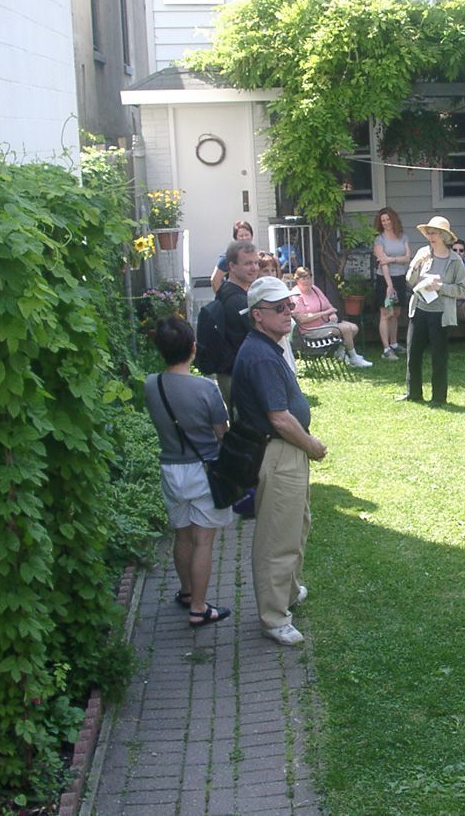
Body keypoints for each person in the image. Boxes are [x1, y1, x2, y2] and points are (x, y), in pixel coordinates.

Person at [231, 276, 328, 646]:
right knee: (277, 536)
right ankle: (273, 617)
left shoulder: (269, 344)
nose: (289, 312)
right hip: (279, 451)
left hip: (287, 449)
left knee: (296, 524)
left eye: (289, 305)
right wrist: (312, 446)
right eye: (279, 308)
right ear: (257, 315)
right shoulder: (259, 356)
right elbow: (280, 418)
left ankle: (287, 592)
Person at [143, 316, 232, 627]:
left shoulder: (150, 384)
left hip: (170, 467)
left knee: (181, 534)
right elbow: (222, 432)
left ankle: (185, 591)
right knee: (203, 541)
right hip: (203, 469)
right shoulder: (205, 388)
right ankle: (199, 607)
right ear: (193, 348)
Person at [400, 216, 465, 406]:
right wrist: (416, 265)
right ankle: (413, 393)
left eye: (434, 232)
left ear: (444, 236)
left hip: (441, 315)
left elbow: (462, 289)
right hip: (419, 309)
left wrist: (441, 288)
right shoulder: (423, 253)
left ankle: (439, 398)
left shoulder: (455, 261)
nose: (430, 236)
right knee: (413, 354)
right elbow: (410, 280)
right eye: (429, 232)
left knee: (439, 357)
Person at [289, 267, 372, 368]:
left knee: (354, 328)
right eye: (304, 278)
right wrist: (325, 313)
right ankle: (354, 357)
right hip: (310, 330)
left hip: (325, 324)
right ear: (297, 280)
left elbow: (329, 307)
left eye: (309, 277)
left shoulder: (315, 289)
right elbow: (302, 319)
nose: (307, 281)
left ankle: (340, 353)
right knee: (345, 329)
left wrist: (332, 314)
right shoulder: (296, 295)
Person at [215, 239, 260, 411]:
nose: (254, 268)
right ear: (231, 267)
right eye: (248, 263)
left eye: (256, 263)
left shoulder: (226, 290)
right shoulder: (237, 301)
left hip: (233, 373)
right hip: (236, 376)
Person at [373, 207, 411, 361]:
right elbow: (383, 263)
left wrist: (392, 259)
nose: (386, 223)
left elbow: (407, 257)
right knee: (386, 313)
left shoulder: (403, 237)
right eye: (383, 221)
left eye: (388, 219)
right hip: (385, 279)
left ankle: (394, 343)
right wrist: (389, 285)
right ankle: (386, 349)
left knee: (396, 312)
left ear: (393, 219)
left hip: (400, 277)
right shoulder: (379, 240)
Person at [210, 220, 254, 293]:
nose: (244, 238)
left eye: (247, 235)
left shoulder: (255, 256)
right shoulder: (228, 258)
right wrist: (223, 298)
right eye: (241, 236)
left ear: (251, 236)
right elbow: (215, 280)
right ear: (235, 238)